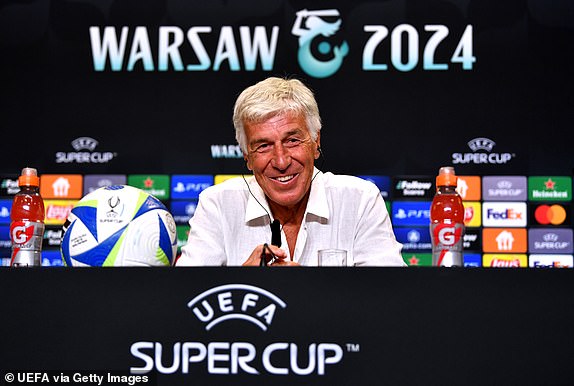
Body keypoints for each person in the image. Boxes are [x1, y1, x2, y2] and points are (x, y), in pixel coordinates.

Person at [176, 76, 405, 267]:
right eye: (263, 145)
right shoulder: (218, 204)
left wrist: (303, 291)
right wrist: (241, 282)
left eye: (293, 140)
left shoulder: (360, 201)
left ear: (316, 142)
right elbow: (184, 301)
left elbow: (390, 298)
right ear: (247, 156)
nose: (281, 160)